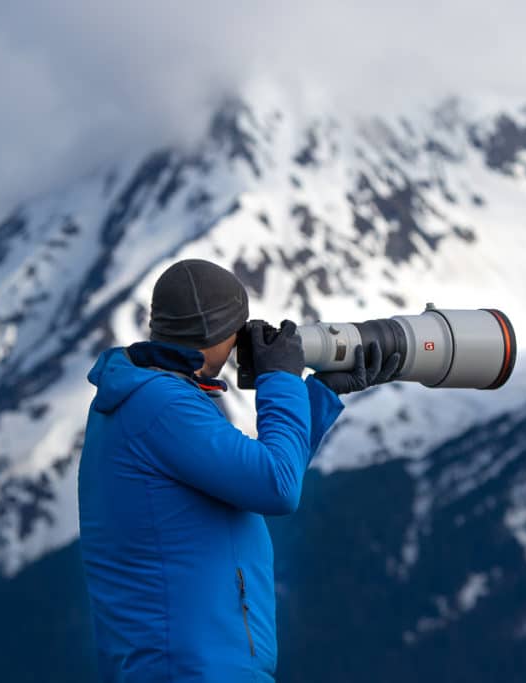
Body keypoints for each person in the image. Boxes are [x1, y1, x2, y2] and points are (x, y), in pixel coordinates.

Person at [78, 258, 398, 682]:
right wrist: (280, 377)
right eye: (239, 330)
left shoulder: (148, 400)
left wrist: (320, 393)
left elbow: (258, 476)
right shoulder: (161, 406)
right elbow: (278, 487)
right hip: (190, 670)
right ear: (217, 333)